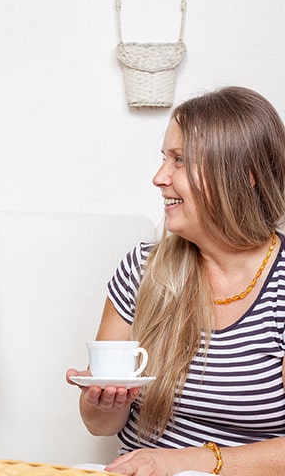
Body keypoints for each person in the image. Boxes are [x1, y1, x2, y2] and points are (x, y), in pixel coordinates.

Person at [67, 86, 285, 475]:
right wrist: (104, 402)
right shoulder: (142, 267)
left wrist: (191, 462)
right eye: (164, 158)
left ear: (245, 176)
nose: (159, 177)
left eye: (179, 160)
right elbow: (99, 426)